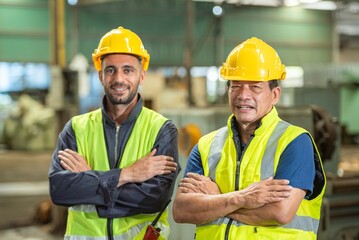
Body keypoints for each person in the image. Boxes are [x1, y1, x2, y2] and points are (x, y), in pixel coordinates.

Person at [172, 37, 326, 240]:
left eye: (255, 87)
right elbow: (182, 211)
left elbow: (280, 212)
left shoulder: (294, 142)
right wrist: (243, 198)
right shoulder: (206, 146)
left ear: (275, 94)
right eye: (236, 86)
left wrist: (216, 200)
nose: (243, 95)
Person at [49, 26, 180, 240]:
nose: (119, 78)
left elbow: (155, 197)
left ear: (142, 75)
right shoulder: (75, 128)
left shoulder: (161, 129)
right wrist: (126, 175)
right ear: (100, 75)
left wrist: (89, 181)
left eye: (128, 70)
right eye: (110, 70)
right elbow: (60, 190)